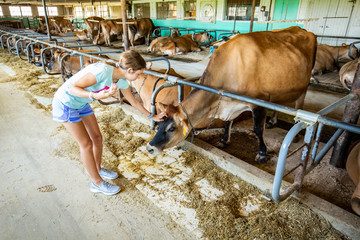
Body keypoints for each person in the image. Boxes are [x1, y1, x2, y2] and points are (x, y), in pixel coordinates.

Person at [52, 50, 167, 196]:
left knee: (97, 137)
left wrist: (152, 116)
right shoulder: (102, 71)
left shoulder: (121, 80)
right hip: (66, 103)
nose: (138, 77)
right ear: (130, 70)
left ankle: (98, 168)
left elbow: (133, 102)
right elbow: (72, 88)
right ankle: (97, 183)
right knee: (86, 144)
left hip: (81, 103)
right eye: (138, 74)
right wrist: (95, 95)